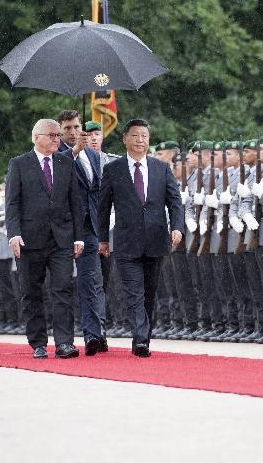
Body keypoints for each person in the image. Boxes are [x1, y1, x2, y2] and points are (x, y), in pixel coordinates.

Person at [98, 118, 185, 357]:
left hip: (156, 239)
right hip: (126, 241)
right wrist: (102, 238)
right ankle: (140, 339)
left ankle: (143, 335)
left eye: (144, 136)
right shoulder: (112, 170)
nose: (140, 140)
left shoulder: (160, 168)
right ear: (125, 139)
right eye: (135, 136)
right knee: (134, 291)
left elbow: (174, 201)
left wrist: (177, 226)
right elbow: (103, 206)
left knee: (149, 291)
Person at [5, 118, 85, 359]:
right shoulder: (19, 164)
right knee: (31, 292)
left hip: (61, 239)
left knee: (63, 289)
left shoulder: (66, 162)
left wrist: (78, 237)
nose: (56, 139)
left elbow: (75, 203)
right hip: (29, 239)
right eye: (51, 134)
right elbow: (12, 203)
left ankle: (64, 343)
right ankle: (38, 343)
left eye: (57, 135)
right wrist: (14, 234)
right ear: (36, 137)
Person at [56, 109, 108, 355]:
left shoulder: (93, 156)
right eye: (67, 128)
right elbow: (57, 178)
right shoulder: (55, 154)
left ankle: (94, 335)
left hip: (89, 227)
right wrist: (73, 152)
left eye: (76, 127)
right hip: (63, 228)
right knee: (62, 283)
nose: (73, 132)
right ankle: (64, 339)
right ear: (59, 130)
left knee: (91, 282)